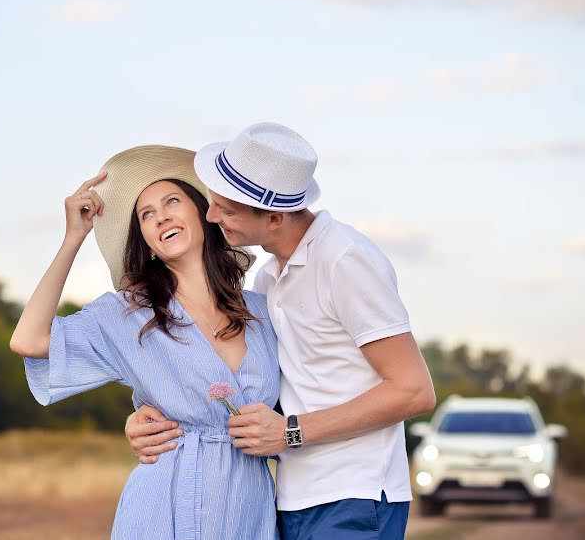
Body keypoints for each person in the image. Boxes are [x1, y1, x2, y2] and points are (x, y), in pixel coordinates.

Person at [125, 123, 436, 540]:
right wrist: (148, 420)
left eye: (227, 209)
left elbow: (413, 390)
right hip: (290, 497)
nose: (212, 216)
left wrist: (290, 431)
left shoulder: (345, 260)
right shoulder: (268, 280)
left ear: (274, 217)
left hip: (355, 497)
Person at [9, 145, 281, 539]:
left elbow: (300, 408)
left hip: (248, 509)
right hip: (163, 508)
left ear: (204, 212)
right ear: (147, 241)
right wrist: (73, 238)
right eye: (146, 215)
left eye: (172, 201)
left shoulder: (264, 312)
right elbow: (29, 340)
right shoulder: (129, 314)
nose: (161, 217)